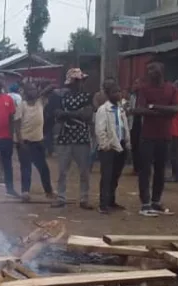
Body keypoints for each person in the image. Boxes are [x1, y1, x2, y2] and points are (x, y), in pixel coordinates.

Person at [131, 61, 178, 217]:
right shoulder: (144, 89)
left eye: (153, 69)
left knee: (160, 170)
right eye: (149, 69)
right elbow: (139, 109)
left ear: (161, 70)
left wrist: (154, 107)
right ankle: (145, 204)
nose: (150, 72)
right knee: (145, 170)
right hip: (147, 136)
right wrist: (164, 112)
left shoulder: (171, 88)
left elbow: (176, 109)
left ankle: (156, 202)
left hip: (164, 136)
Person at [53, 68, 95, 209]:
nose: (80, 83)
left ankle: (83, 198)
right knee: (62, 170)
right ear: (72, 82)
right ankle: (61, 197)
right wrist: (77, 114)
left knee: (84, 170)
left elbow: (87, 115)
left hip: (78, 137)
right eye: (77, 80)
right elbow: (57, 114)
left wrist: (67, 114)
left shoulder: (87, 96)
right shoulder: (61, 97)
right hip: (67, 137)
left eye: (81, 80)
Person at [94, 80, 131, 214]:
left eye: (119, 91)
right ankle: (103, 204)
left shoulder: (120, 109)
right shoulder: (103, 110)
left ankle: (111, 201)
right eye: (115, 92)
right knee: (107, 176)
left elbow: (124, 126)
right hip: (109, 147)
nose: (118, 94)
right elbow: (100, 130)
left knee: (115, 175)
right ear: (108, 94)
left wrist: (127, 142)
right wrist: (105, 145)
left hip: (120, 144)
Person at [15, 82, 55, 202]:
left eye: (34, 89)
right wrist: (20, 141)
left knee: (43, 167)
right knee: (26, 168)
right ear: (25, 92)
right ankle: (25, 192)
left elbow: (51, 87)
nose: (32, 92)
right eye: (30, 90)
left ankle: (49, 191)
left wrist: (39, 92)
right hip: (25, 142)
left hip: (38, 141)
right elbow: (17, 125)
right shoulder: (21, 105)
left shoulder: (40, 102)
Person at [128, 78, 144, 175]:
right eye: (134, 83)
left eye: (137, 83)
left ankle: (141, 168)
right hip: (133, 124)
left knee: (141, 146)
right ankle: (136, 168)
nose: (134, 85)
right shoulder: (132, 96)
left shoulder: (144, 96)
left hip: (142, 123)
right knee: (134, 145)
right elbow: (131, 108)